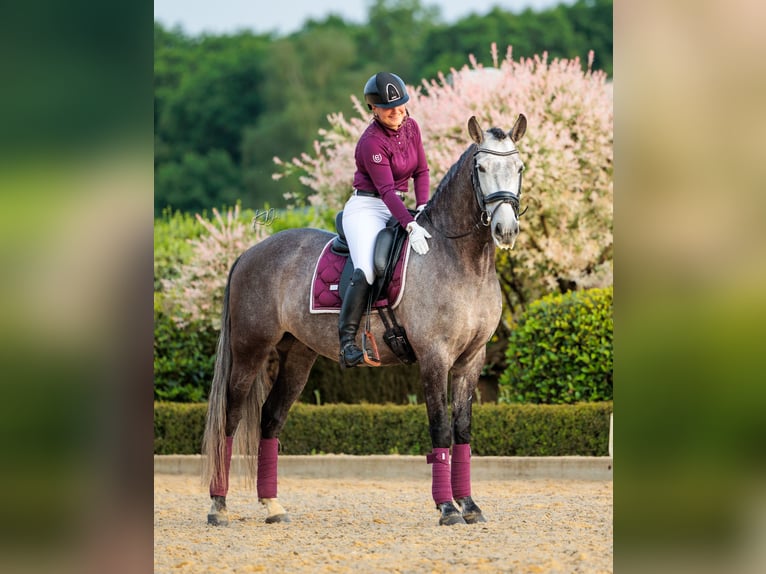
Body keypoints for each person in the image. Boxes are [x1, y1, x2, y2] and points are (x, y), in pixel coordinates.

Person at [338, 71, 432, 368]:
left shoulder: (412, 126)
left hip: (398, 207)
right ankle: (347, 342)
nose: (397, 111)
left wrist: (423, 206)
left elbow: (422, 172)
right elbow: (387, 190)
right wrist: (410, 224)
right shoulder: (371, 143)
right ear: (374, 110)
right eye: (389, 108)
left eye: (401, 104)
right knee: (367, 268)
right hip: (366, 209)